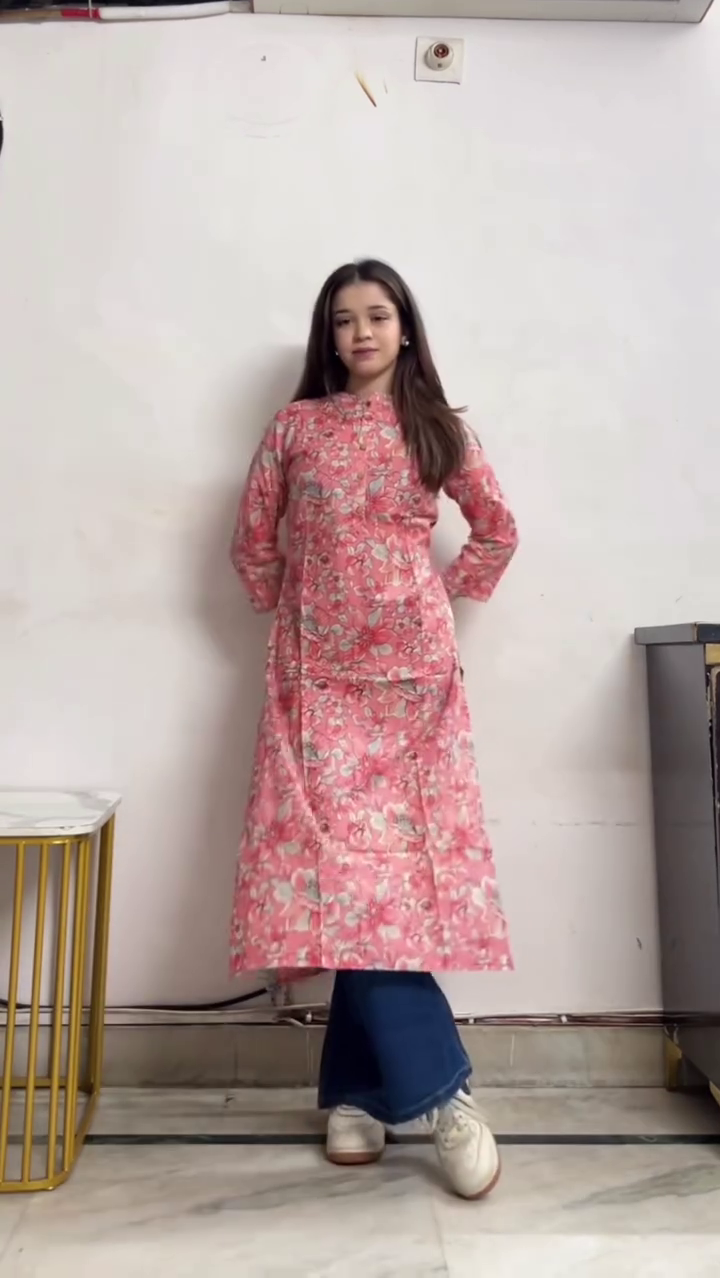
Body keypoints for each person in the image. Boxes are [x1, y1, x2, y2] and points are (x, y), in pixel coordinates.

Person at [229, 259, 518, 1200]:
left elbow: (498, 530)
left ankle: (358, 1095)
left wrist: (436, 600)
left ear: (405, 328)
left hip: (413, 690)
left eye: (378, 315)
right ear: (329, 335)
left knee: (386, 884)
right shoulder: (296, 428)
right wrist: (301, 611)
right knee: (347, 881)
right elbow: (251, 543)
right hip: (315, 686)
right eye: (344, 319)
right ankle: (441, 1093)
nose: (361, 332)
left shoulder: (438, 429)